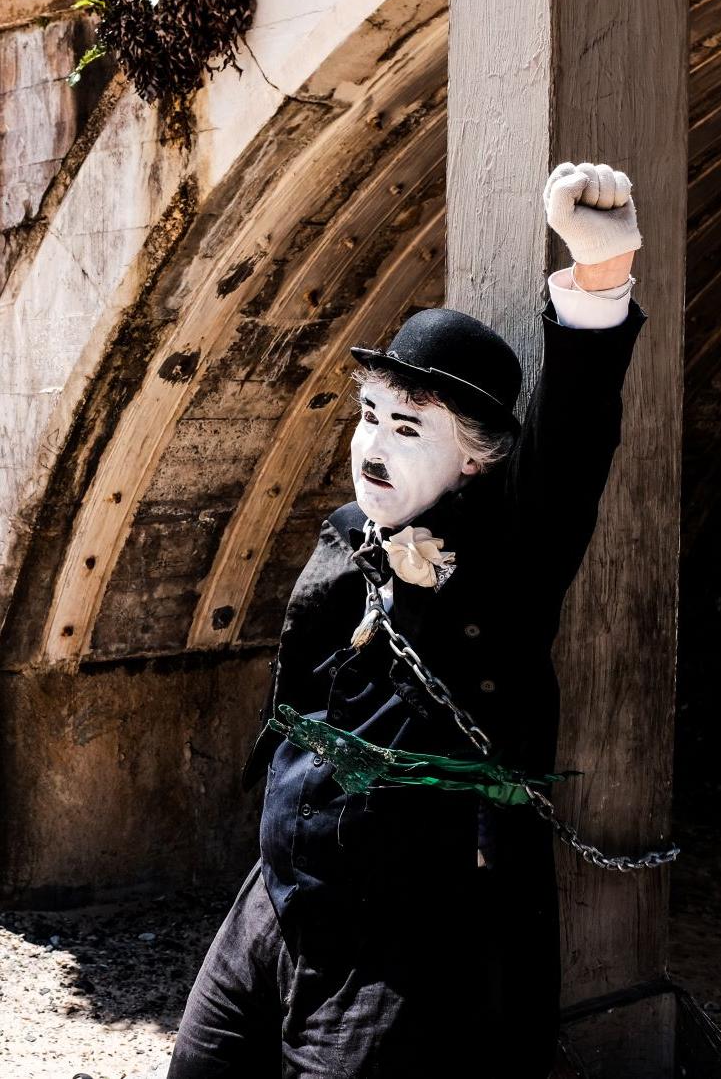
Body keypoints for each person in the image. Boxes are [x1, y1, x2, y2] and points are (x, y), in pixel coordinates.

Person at [166, 162, 645, 1078]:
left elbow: (574, 441)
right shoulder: (346, 537)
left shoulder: (506, 563)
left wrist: (598, 277)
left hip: (397, 946)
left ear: (473, 461)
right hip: (270, 904)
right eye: (367, 417)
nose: (371, 449)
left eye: (408, 429)